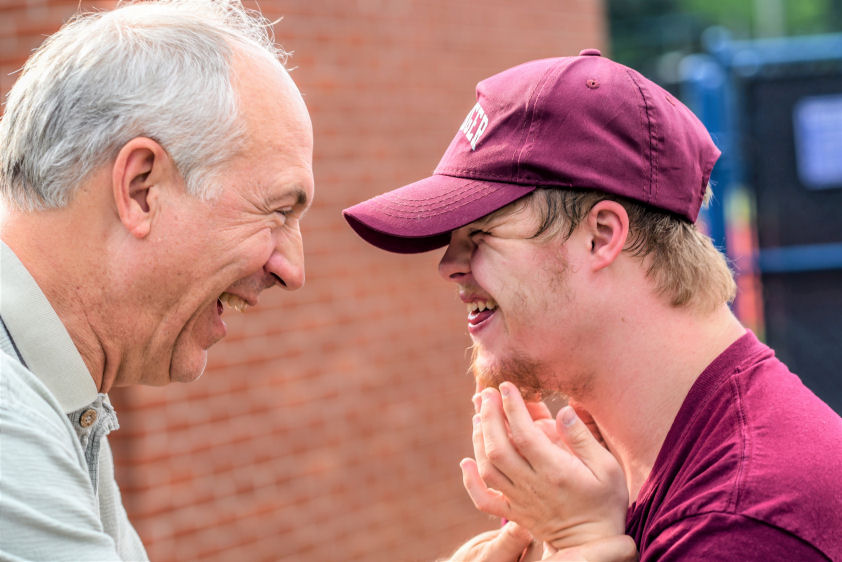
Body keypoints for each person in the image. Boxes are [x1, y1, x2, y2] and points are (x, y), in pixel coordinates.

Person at [343, 49, 842, 561]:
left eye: (481, 233)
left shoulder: (743, 524)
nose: (449, 265)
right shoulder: (626, 469)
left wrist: (580, 544)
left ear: (601, 236)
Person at [0, 1, 313, 559]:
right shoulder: (9, 415)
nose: (292, 270)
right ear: (142, 188)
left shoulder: (58, 393)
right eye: (277, 212)